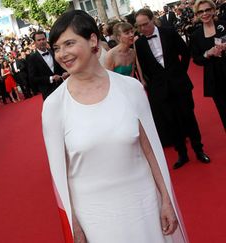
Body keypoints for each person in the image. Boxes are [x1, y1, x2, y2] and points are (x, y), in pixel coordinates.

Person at [42, 10, 188, 243]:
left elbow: (151, 151)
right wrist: (74, 227)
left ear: (92, 40)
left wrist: (166, 200)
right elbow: (60, 174)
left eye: (69, 43)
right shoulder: (53, 106)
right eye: (56, 48)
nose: (62, 54)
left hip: (144, 205)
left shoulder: (131, 89)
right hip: (95, 219)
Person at [134, 8, 210, 169]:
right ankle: (182, 154)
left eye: (145, 24)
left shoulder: (169, 32)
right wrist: (155, 82)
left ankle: (198, 150)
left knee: (188, 117)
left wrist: (180, 71)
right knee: (171, 122)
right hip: (160, 89)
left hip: (179, 83)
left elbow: (185, 52)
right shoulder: (139, 44)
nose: (142, 29)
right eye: (139, 26)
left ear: (153, 20)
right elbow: (145, 68)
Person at [190, 0, 226, 130]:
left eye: (207, 10)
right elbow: (196, 59)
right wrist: (207, 53)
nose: (204, 14)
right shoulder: (195, 35)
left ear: (213, 10)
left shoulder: (224, 25)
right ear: (197, 14)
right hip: (215, 78)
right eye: (200, 11)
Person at [27, 30, 68, 100]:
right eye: (39, 40)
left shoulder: (54, 52)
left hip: (62, 87)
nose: (42, 41)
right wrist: (50, 78)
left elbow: (61, 66)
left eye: (43, 39)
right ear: (35, 42)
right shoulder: (32, 58)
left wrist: (65, 72)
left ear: (46, 39)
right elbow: (32, 78)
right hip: (48, 92)